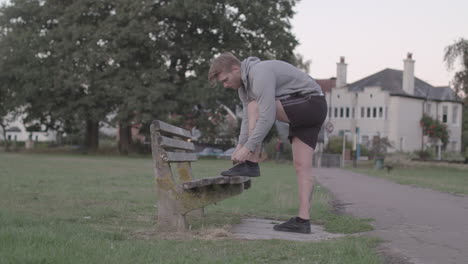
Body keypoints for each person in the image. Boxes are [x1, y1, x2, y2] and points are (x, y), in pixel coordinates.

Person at [208, 52, 327, 234]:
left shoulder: (259, 72)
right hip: (304, 109)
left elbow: (267, 116)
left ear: (235, 68)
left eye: (225, 79)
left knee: (256, 106)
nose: (225, 85)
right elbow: (248, 119)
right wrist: (240, 145)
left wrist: (248, 150)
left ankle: (252, 163)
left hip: (310, 103)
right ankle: (303, 221)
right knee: (302, 167)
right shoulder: (244, 87)